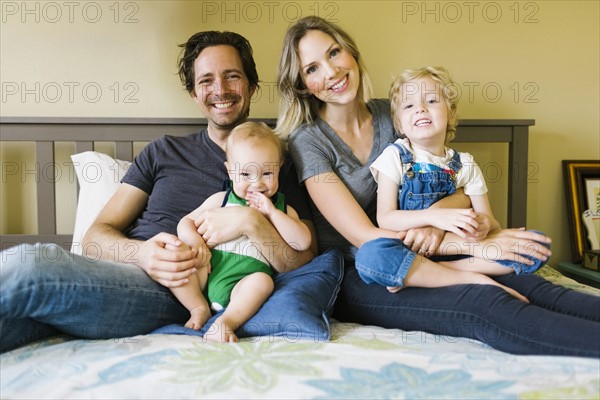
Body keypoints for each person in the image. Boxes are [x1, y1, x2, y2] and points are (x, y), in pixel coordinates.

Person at [276, 15, 600, 357]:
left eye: (334, 53)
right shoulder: (308, 141)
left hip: (433, 243)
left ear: (352, 55)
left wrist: (434, 218)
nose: (330, 72)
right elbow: (363, 235)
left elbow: (459, 188)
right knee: (484, 302)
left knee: (536, 286)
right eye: (311, 68)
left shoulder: (397, 113)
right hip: (371, 271)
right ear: (300, 84)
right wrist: (464, 246)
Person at [0, 31, 342, 353]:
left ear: (252, 86)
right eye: (206, 81)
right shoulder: (163, 152)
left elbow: (302, 258)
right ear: (194, 93)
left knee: (28, 266)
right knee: (18, 321)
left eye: (232, 76)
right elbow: (94, 238)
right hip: (135, 275)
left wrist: (251, 221)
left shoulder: (275, 162)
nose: (220, 89)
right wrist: (144, 255)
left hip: (181, 293)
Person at [359, 66, 546, 294]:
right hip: (410, 249)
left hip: (461, 253)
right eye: (409, 105)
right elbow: (386, 219)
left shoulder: (465, 164)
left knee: (536, 244)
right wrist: (435, 217)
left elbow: (490, 221)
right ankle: (475, 279)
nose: (420, 109)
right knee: (370, 256)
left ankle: (448, 271)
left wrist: (484, 225)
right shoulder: (395, 156)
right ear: (399, 124)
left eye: (431, 100)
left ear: (451, 114)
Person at [173, 121, 311, 342]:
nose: (257, 183)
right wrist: (195, 242)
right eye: (246, 174)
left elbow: (302, 242)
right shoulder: (221, 200)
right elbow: (185, 223)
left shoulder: (283, 209)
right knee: (177, 257)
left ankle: (226, 322)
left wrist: (273, 213)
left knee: (263, 282)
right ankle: (198, 307)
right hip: (208, 271)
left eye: (267, 173)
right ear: (230, 171)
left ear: (280, 168)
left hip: (244, 283)